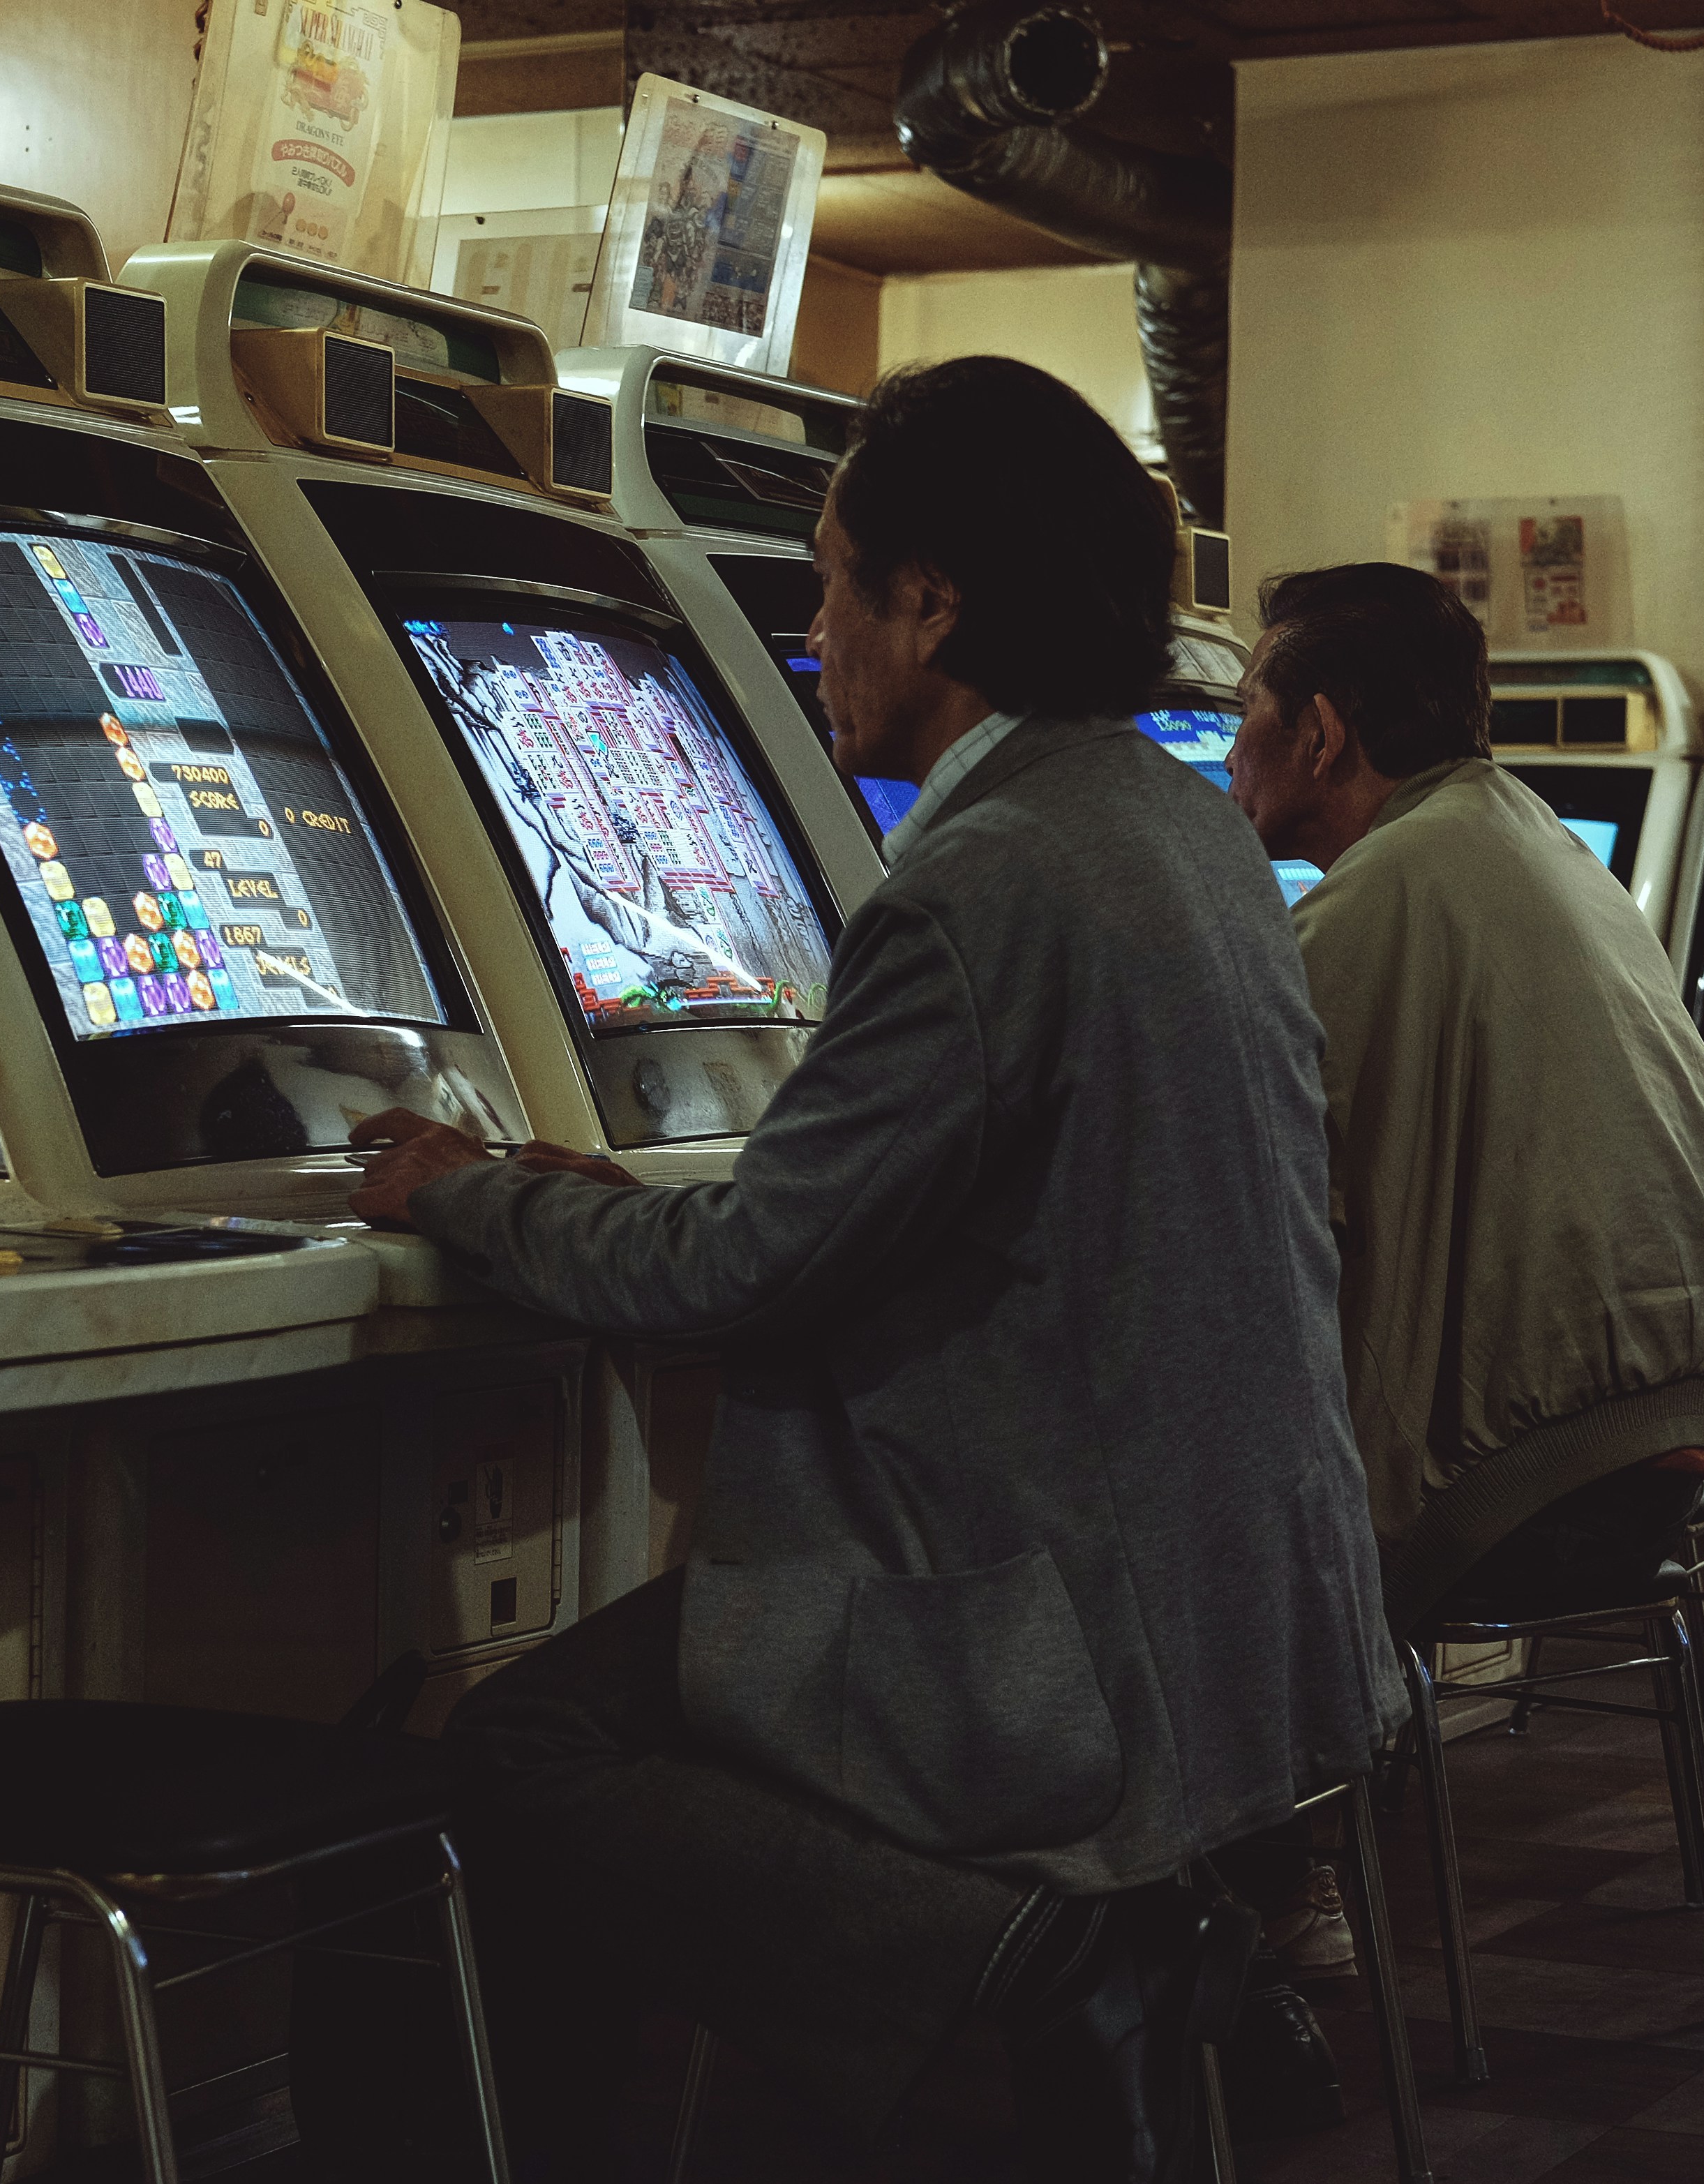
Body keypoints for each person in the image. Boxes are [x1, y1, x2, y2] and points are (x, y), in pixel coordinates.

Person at [342, 357, 1405, 2181]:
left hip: (1041, 1637)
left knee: (514, 1751)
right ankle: (1090, 1951)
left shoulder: (979, 875)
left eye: (833, 582)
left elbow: (741, 1271)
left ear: (934, 602)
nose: (812, 628)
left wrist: (462, 1190)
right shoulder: (1182, 833)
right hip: (1238, 1599)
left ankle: (1019, 1948)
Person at [1221, 562, 1704, 1636]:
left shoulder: (1376, 896)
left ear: (1321, 734)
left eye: (1246, 715)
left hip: (1522, 1485)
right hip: (1661, 1444)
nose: (1230, 754)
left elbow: (1238, 1200)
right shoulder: (1536, 838)